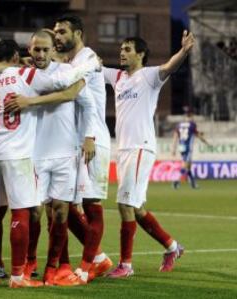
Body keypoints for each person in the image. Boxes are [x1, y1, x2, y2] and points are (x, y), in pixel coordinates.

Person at [0, 39, 100, 288]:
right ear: (26, 52)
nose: (41, 53)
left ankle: (53, 267)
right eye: (36, 49)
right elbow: (66, 90)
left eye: (46, 49)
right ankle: (27, 265)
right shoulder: (27, 74)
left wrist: (89, 136)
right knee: (31, 213)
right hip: (32, 155)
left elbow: (85, 102)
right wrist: (89, 68)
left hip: (62, 152)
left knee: (59, 213)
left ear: (53, 51)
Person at [102, 31, 194, 278]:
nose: (122, 52)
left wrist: (183, 52)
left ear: (141, 54)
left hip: (140, 147)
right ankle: (172, 247)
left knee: (124, 204)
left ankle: (126, 265)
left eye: (128, 49)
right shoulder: (118, 77)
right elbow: (91, 67)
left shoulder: (149, 76)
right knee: (137, 208)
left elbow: (168, 67)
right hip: (123, 150)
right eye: (121, 48)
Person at [53, 15, 113, 280]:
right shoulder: (72, 62)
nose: (58, 36)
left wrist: (88, 136)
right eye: (55, 32)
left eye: (62, 32)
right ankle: (98, 258)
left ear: (77, 33)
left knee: (91, 203)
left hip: (93, 139)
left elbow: (76, 90)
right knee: (68, 205)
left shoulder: (88, 59)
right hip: (74, 141)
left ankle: (86, 268)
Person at [172, 111, 210, 189]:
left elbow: (175, 137)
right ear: (190, 117)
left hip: (181, 147)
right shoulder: (192, 125)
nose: (192, 118)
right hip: (188, 148)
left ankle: (193, 184)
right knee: (185, 165)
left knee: (188, 166)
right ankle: (176, 181)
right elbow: (198, 135)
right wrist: (206, 142)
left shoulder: (179, 125)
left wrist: (173, 149)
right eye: (192, 117)